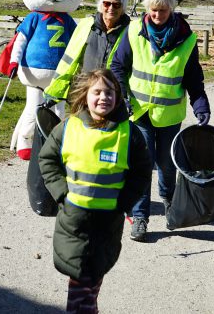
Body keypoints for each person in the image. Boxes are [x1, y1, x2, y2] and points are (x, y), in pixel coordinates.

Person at [39, 69, 152, 314]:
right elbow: (47, 159)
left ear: (118, 97)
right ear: (85, 96)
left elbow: (142, 171)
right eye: (97, 92)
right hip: (74, 220)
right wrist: (62, 194)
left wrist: (125, 202)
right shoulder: (69, 127)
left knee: (94, 275)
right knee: (81, 279)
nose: (103, 97)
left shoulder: (129, 133)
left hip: (108, 221)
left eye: (109, 92)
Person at [110, 0, 211, 242]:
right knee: (142, 166)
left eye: (162, 11)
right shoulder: (134, 31)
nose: (156, 16)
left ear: (172, 10)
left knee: (167, 165)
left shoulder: (186, 39)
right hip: (140, 112)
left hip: (169, 116)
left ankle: (168, 201)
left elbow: (193, 77)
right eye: (153, 10)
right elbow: (118, 66)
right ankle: (140, 216)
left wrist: (200, 105)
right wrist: (122, 97)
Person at [44, 0, 131, 104]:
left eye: (116, 5)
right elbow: (69, 59)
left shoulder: (130, 31)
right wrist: (54, 91)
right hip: (83, 90)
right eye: (107, 4)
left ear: (123, 9)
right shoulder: (86, 25)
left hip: (111, 94)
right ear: (101, 5)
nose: (111, 8)